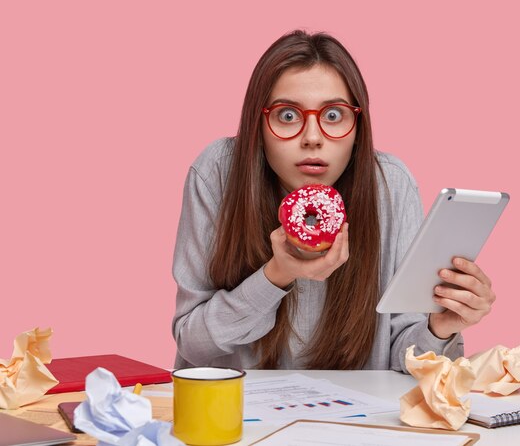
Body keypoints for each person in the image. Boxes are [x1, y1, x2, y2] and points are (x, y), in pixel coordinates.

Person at [172, 30, 495, 372]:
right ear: (258, 124)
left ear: (358, 127)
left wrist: (440, 327)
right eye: (287, 116)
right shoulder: (219, 173)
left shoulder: (390, 186)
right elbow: (193, 345)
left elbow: (407, 360)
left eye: (333, 116)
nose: (312, 138)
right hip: (239, 416)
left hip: (357, 421)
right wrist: (275, 276)